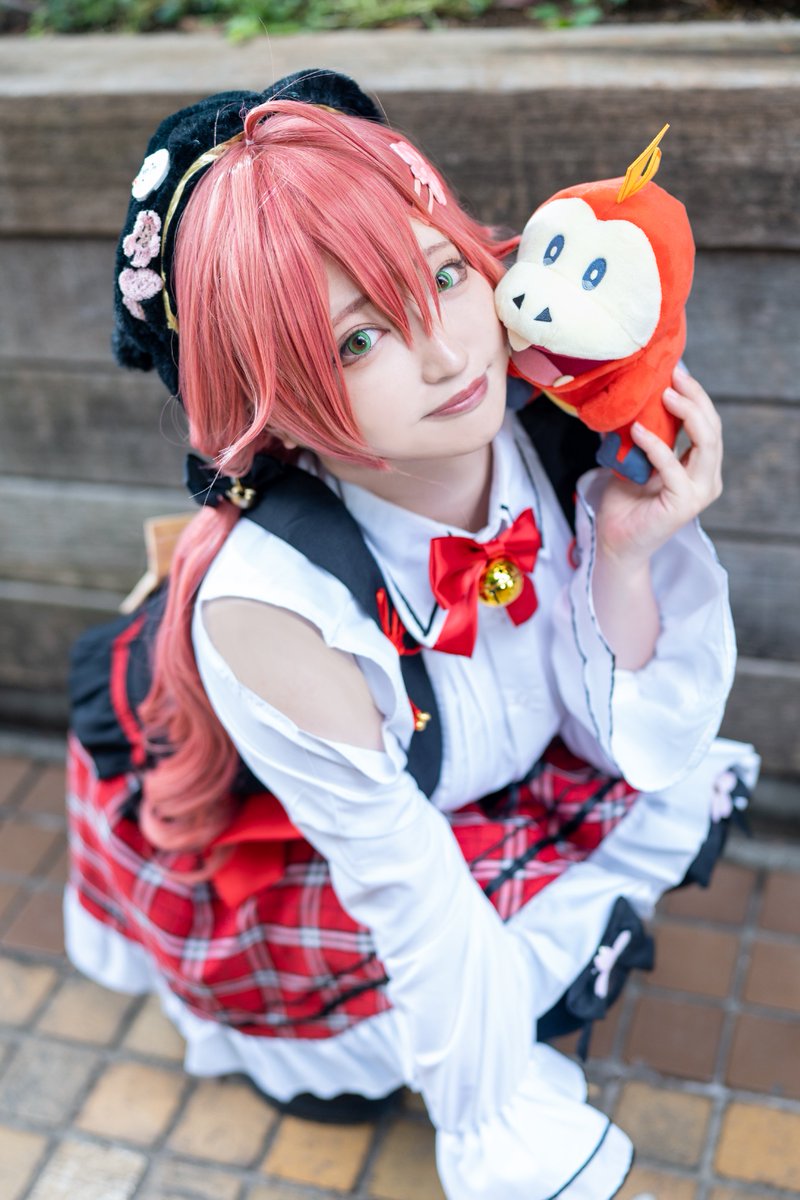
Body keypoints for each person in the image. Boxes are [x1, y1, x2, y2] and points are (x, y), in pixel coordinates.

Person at [65, 68, 758, 1200]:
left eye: (442, 274)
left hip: (465, 796)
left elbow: (606, 739)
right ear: (266, 394)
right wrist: (492, 1126)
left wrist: (626, 555)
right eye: (356, 341)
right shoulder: (275, 606)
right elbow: (409, 893)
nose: (445, 351)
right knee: (354, 1069)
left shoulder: (549, 432)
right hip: (324, 854)